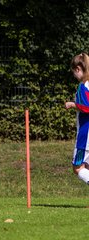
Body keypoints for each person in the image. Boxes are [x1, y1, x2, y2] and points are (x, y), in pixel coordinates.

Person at [65, 52, 89, 187]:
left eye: (74, 72)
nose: (74, 76)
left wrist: (73, 104)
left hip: (86, 133)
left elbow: (87, 107)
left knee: (78, 168)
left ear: (78, 69)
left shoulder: (83, 86)